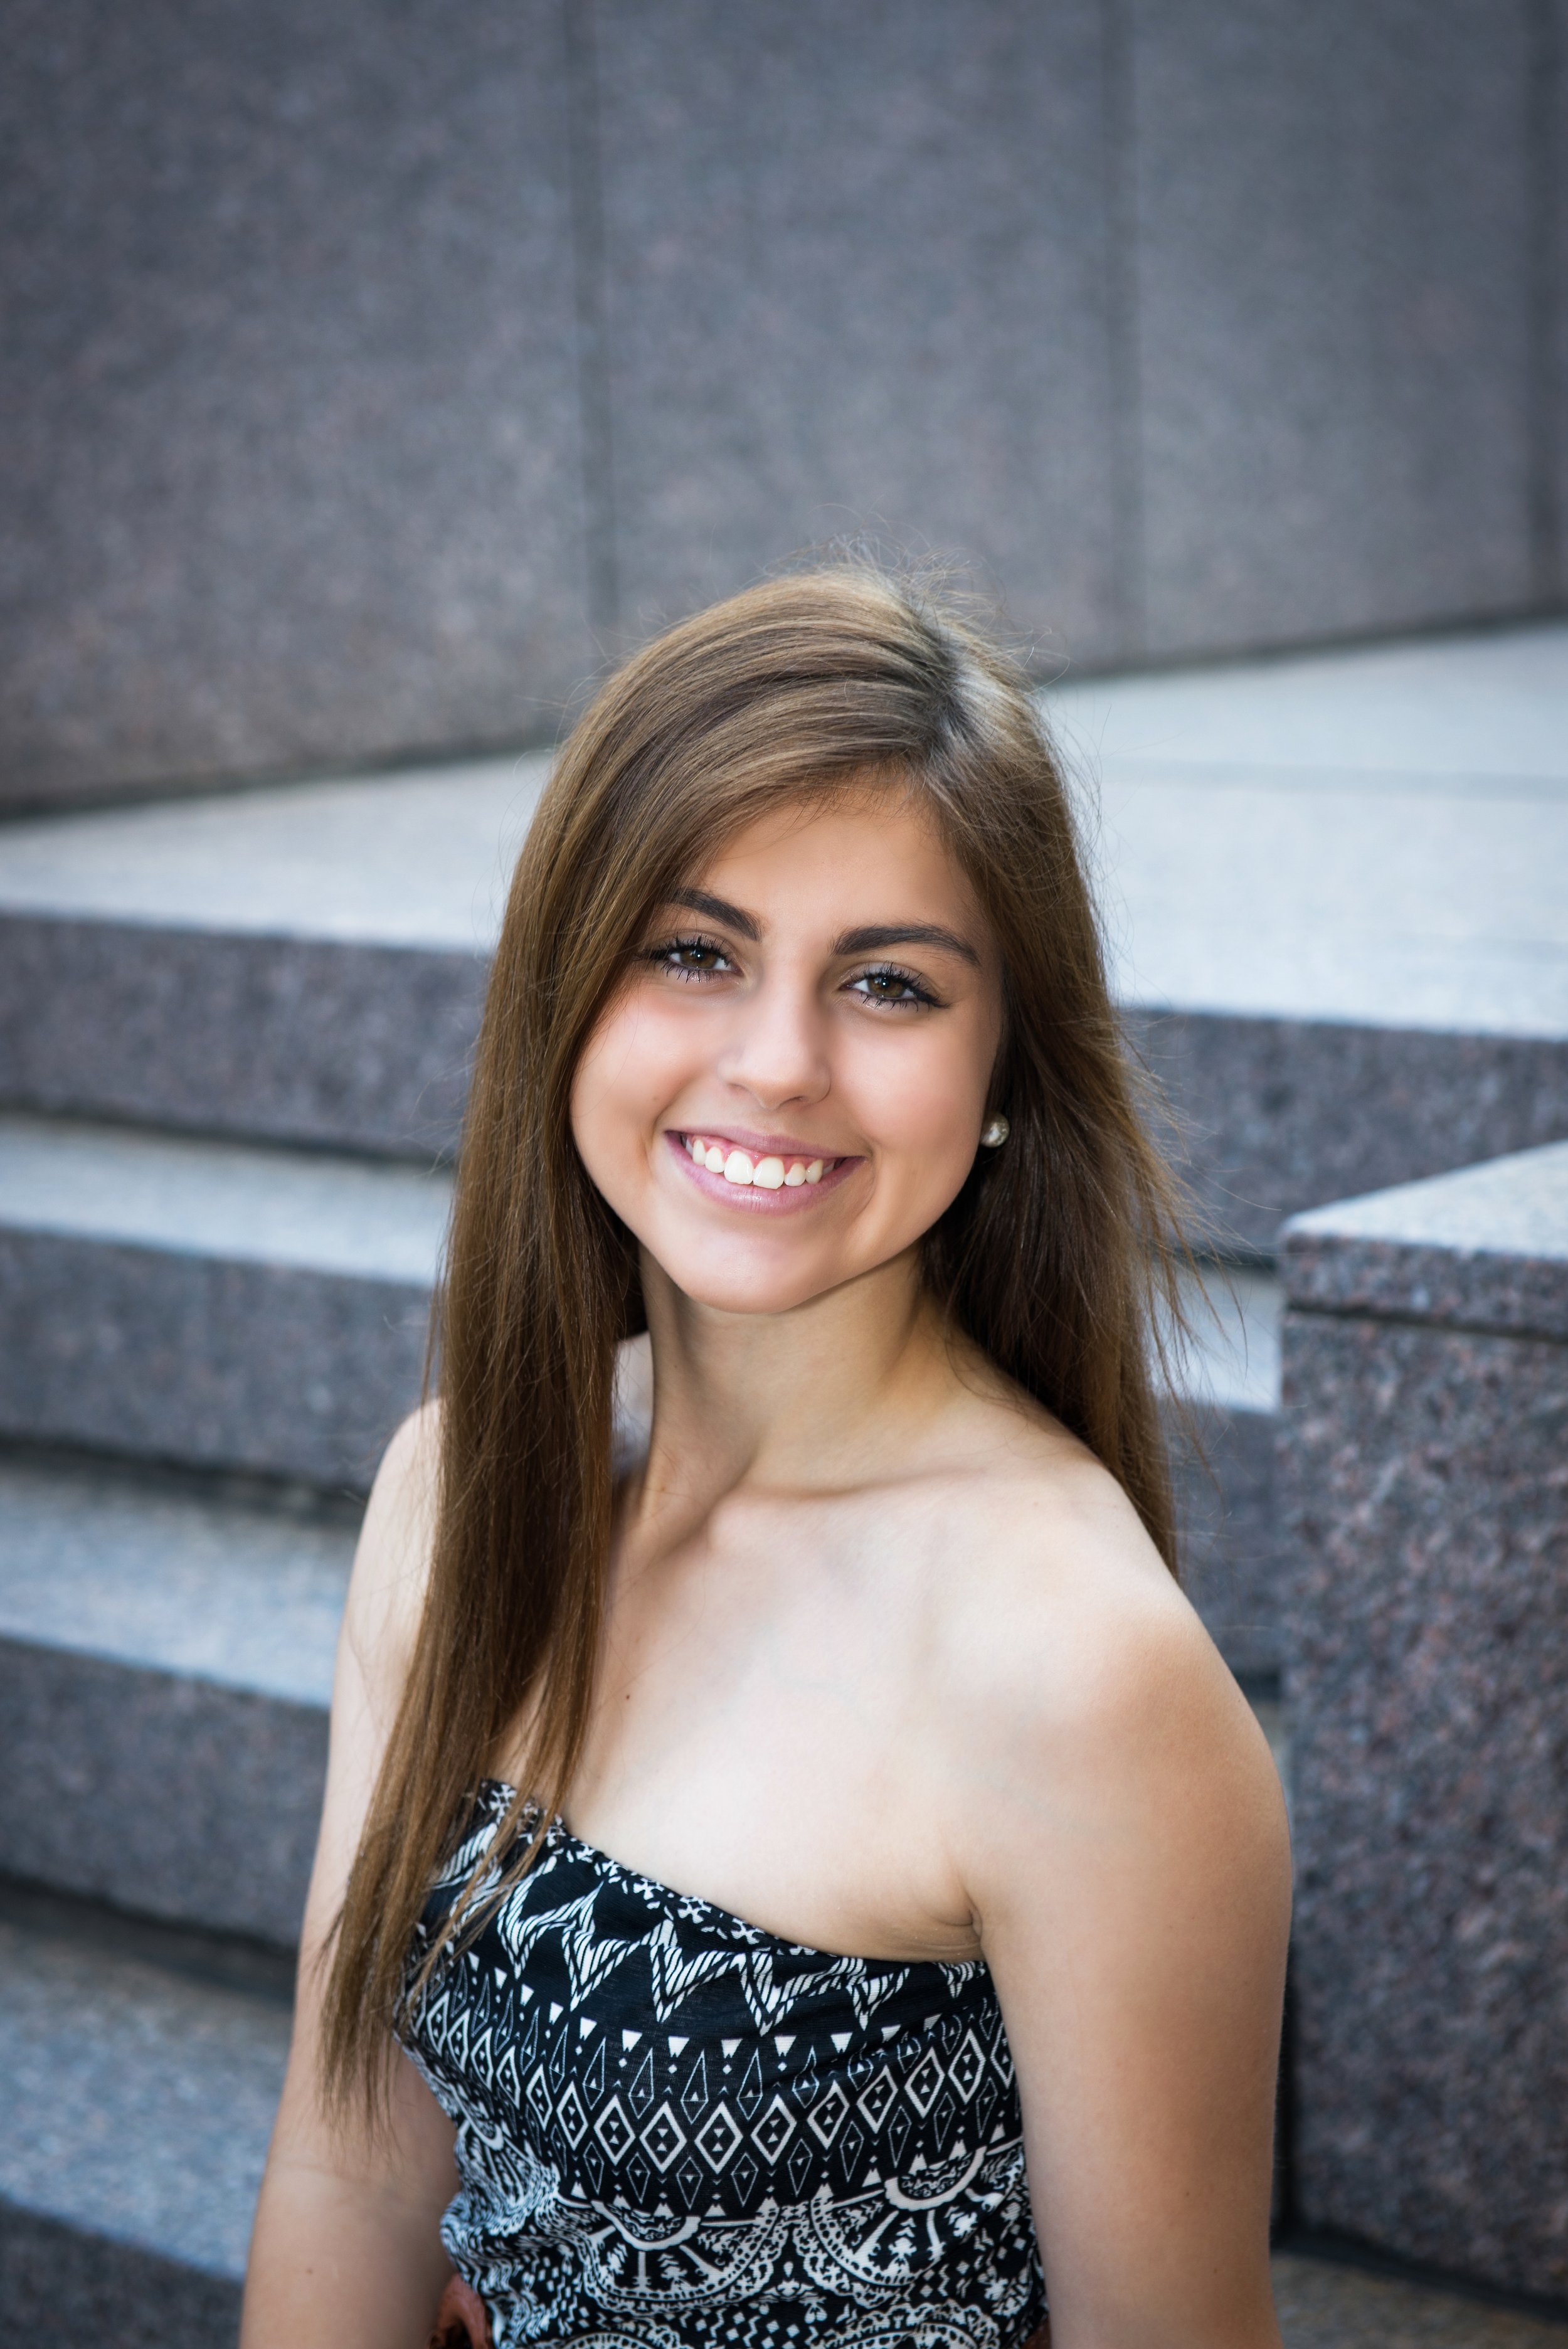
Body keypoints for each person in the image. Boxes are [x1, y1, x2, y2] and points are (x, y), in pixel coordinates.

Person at [241, 565, 1291, 2349]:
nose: (777, 1061)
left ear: (1004, 1073)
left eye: (887, 984)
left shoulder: (1070, 1665)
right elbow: (350, 2167)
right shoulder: (458, 1490)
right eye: (692, 951)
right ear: (566, 987)